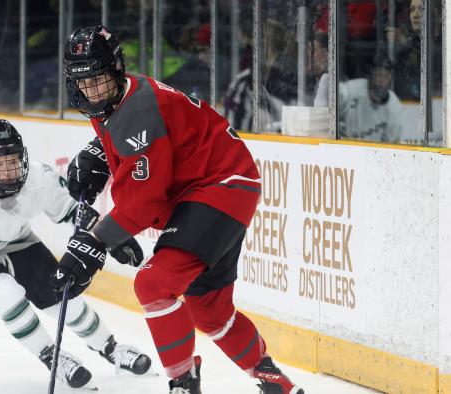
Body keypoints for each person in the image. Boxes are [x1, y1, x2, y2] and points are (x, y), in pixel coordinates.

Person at [54, 25, 304, 394]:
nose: (90, 90)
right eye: (82, 82)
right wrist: (98, 154)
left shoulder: (137, 109)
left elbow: (144, 201)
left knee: (153, 283)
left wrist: (94, 241)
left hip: (219, 186)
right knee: (209, 311)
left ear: (116, 70)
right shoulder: (115, 97)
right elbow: (133, 141)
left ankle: (183, 382)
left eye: (98, 79)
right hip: (210, 188)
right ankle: (273, 379)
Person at [0, 119, 152, 389]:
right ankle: (53, 357)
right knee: (4, 292)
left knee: (64, 298)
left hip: (19, 243)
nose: (7, 172)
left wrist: (110, 235)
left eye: (12, 160)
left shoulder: (39, 178)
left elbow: (74, 212)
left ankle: (112, 348)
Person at [338, 54, 404, 143]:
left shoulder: (395, 107)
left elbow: (392, 144)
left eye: (386, 76)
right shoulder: (349, 91)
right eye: (379, 75)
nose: (382, 80)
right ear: (370, 75)